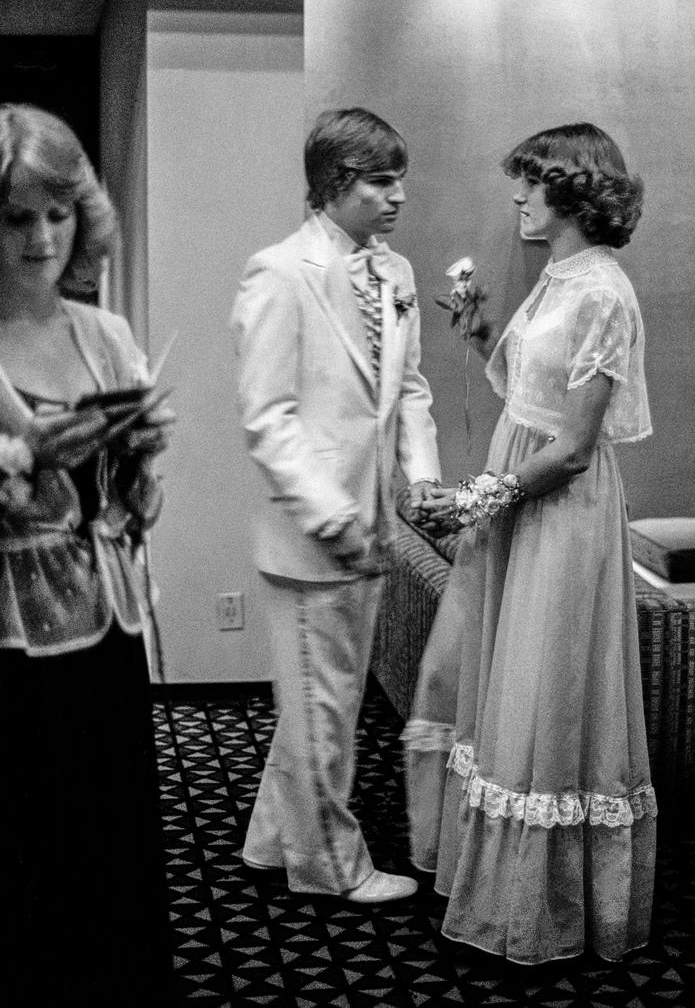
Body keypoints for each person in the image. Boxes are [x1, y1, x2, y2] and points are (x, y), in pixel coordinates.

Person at [404, 122, 657, 964]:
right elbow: (535, 396)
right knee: (504, 681)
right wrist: (482, 335)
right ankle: (502, 883)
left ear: (573, 190)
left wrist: (478, 496)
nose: (517, 196)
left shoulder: (603, 292)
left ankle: (546, 905)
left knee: (546, 692)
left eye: (530, 182)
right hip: (522, 494)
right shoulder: (560, 279)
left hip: (560, 509)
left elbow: (578, 444)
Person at [231, 107, 441, 904]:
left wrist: (418, 481)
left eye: (399, 180)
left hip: (377, 519)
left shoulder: (398, 274)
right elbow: (267, 418)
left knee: (321, 696)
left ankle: (270, 840)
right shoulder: (278, 272)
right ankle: (329, 867)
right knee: (324, 707)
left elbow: (410, 389)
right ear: (335, 184)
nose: (399, 197)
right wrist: (333, 516)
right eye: (383, 182)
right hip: (313, 531)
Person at [0, 104, 177, 1007]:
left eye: (58, 213)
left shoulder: (102, 333)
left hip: (105, 626)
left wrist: (143, 468)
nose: (41, 237)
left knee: (107, 832)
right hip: (10, 641)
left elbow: (138, 500)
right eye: (16, 216)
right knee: (27, 842)